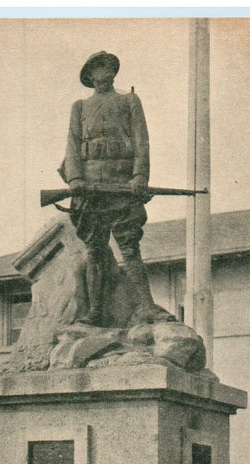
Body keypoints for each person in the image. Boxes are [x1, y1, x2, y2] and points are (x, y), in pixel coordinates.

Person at [60, 51, 175, 326]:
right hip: (90, 189)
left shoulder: (130, 101)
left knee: (129, 247)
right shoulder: (80, 107)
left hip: (122, 185)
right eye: (99, 67)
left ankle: (146, 307)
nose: (105, 71)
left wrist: (139, 176)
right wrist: (75, 179)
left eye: (109, 66)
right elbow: (72, 145)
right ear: (90, 76)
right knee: (95, 250)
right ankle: (96, 312)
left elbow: (141, 142)